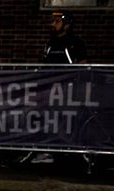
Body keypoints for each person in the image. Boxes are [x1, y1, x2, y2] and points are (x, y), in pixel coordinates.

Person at [32, 10, 87, 164]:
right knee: (48, 118)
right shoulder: (50, 43)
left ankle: (72, 151)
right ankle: (47, 151)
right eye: (52, 21)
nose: (53, 24)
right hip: (50, 88)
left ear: (67, 24)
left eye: (57, 21)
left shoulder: (75, 42)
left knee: (68, 119)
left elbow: (83, 65)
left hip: (69, 88)